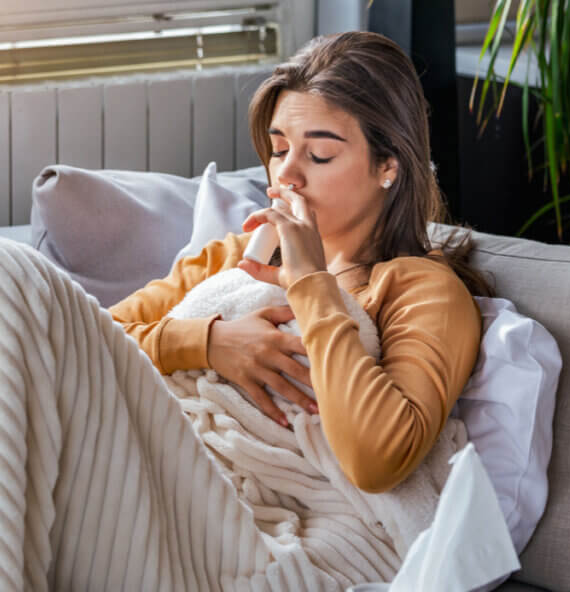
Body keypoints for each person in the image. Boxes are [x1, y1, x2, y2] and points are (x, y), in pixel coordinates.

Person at [110, 30, 492, 494]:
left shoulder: (421, 291)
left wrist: (312, 282)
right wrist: (209, 342)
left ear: (387, 165)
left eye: (319, 154)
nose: (286, 174)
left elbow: (377, 462)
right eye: (278, 150)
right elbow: (87, 339)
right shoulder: (234, 258)